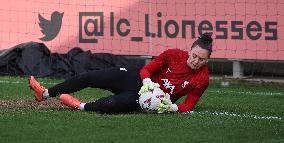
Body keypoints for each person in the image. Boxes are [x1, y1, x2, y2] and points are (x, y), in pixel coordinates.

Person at [29, 32, 213, 114]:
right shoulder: (173, 54)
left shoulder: (202, 79)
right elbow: (146, 69)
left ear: (207, 60)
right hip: (139, 80)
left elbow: (189, 105)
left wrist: (170, 107)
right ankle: (44, 93)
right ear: (189, 51)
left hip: (153, 99)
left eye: (202, 59)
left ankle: (80, 106)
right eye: (194, 56)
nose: (196, 61)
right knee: (90, 76)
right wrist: (148, 82)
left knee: (110, 104)